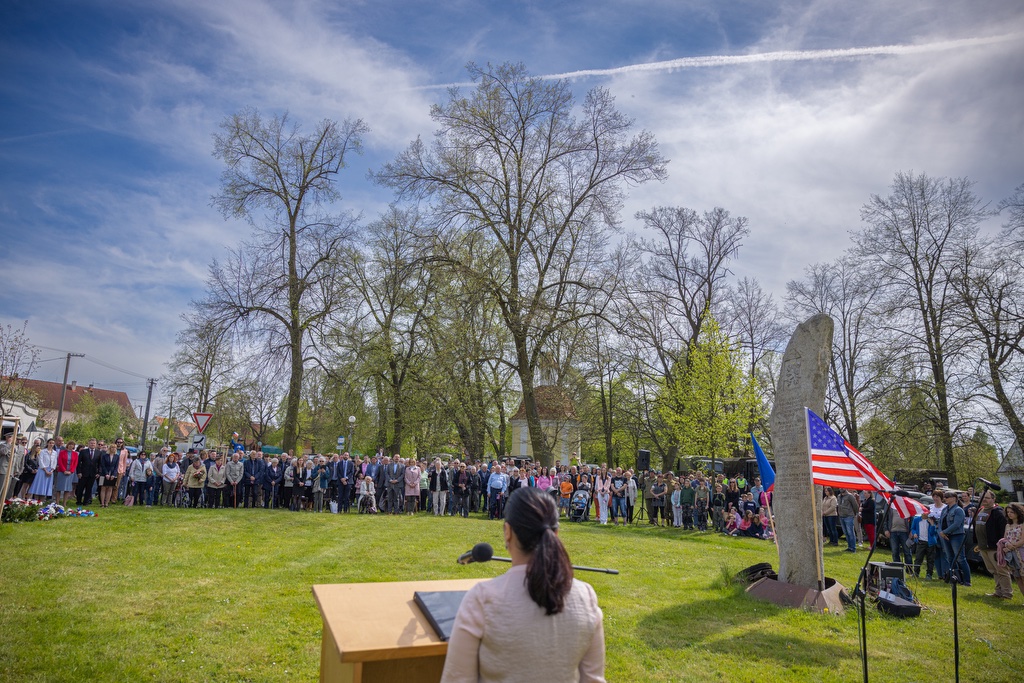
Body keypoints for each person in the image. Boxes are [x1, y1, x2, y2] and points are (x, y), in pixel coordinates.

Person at [441, 487, 605, 683]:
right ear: (557, 533)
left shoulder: (482, 599)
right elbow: (594, 679)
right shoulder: (585, 595)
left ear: (507, 532)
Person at [971, 489, 1012, 599]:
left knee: (1001, 571)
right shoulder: (981, 510)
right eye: (982, 498)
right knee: (993, 570)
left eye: (987, 498)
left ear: (993, 499)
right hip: (983, 546)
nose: (984, 500)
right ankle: (998, 591)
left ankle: (1007, 593)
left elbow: (1002, 530)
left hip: (995, 547)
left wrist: (1001, 546)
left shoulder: (998, 512)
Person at [939, 490, 971, 587]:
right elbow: (940, 522)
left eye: (947, 497)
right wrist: (942, 533)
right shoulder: (945, 510)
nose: (945, 499)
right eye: (945, 497)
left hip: (957, 536)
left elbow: (957, 524)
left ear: (954, 498)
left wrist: (945, 532)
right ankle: (956, 577)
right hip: (945, 536)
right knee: (950, 557)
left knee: (960, 558)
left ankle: (966, 580)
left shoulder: (958, 510)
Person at [997, 503, 1024, 602]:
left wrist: (1011, 546)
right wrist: (1006, 546)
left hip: (1021, 553)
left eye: (1012, 512)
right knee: (1017, 577)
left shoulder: (1022, 524)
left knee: (1023, 575)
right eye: (1008, 512)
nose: (1010, 514)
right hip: (1011, 555)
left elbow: (1022, 540)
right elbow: (1005, 539)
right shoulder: (1008, 525)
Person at [75, 438, 101, 506]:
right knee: (80, 488)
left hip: (92, 473)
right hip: (83, 473)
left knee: (89, 488)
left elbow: (99, 464)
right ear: (88, 444)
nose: (92, 444)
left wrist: (98, 473)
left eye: (94, 443)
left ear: (95, 444)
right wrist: (79, 472)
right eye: (91, 443)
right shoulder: (83, 451)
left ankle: (86, 501)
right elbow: (79, 463)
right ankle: (79, 501)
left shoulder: (98, 452)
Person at [52, 439, 77, 505]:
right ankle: (57, 502)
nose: (71, 446)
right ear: (67, 445)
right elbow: (60, 462)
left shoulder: (75, 454)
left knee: (67, 488)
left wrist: (71, 471)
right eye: (70, 444)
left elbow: (75, 463)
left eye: (72, 445)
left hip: (70, 472)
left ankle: (64, 503)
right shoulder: (62, 452)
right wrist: (64, 470)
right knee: (59, 488)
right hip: (62, 471)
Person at [837, 488, 859, 552]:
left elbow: (855, 506)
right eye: (840, 487)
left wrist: (854, 514)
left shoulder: (850, 496)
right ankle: (849, 547)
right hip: (841, 516)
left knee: (850, 532)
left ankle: (853, 548)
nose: (841, 488)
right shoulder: (839, 496)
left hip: (849, 516)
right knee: (846, 533)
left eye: (842, 487)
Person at [98, 443, 119, 508]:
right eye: (112, 447)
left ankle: (107, 503)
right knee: (103, 488)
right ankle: (102, 503)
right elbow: (103, 465)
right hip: (103, 473)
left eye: (115, 448)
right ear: (110, 448)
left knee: (110, 488)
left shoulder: (117, 456)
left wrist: (113, 474)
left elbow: (116, 466)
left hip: (113, 474)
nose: (113, 449)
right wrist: (106, 474)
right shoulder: (104, 456)